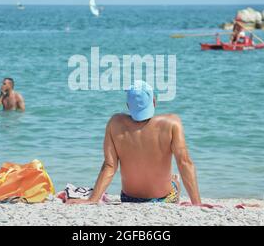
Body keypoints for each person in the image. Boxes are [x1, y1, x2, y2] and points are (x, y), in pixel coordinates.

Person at [67, 81, 205, 206]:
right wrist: (197, 204)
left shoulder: (115, 123)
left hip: (129, 198)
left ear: (128, 106)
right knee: (175, 180)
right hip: (164, 198)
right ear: (154, 102)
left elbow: (110, 166)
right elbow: (184, 163)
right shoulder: (172, 123)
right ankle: (176, 184)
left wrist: (92, 199)